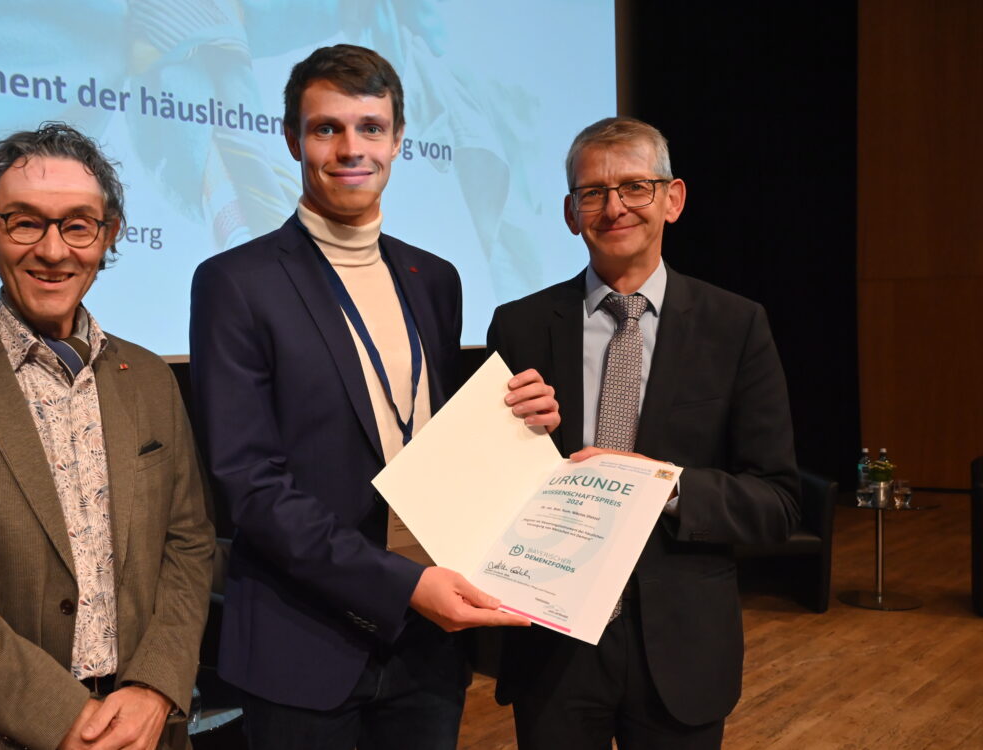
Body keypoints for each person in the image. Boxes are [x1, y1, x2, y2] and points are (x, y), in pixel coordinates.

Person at [188, 44, 556, 749]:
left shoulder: (434, 277)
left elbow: (429, 436)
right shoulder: (236, 282)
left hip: (428, 644)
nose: (350, 148)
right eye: (327, 128)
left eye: (370, 127)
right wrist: (401, 584)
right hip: (304, 645)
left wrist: (521, 421)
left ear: (397, 139)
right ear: (293, 137)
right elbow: (252, 489)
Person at [0, 123, 214, 750]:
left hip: (143, 727)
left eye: (78, 225)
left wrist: (156, 687)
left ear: (106, 235)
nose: (55, 251)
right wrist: (63, 714)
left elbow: (187, 545)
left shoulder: (151, 378)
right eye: (26, 222)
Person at [487, 116, 800, 749]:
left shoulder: (735, 326)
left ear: (673, 199)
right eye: (593, 193)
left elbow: (779, 501)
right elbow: (491, 489)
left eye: (635, 186)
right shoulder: (517, 326)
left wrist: (663, 487)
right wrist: (519, 441)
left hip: (680, 647)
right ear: (571, 213)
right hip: (553, 645)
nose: (614, 207)